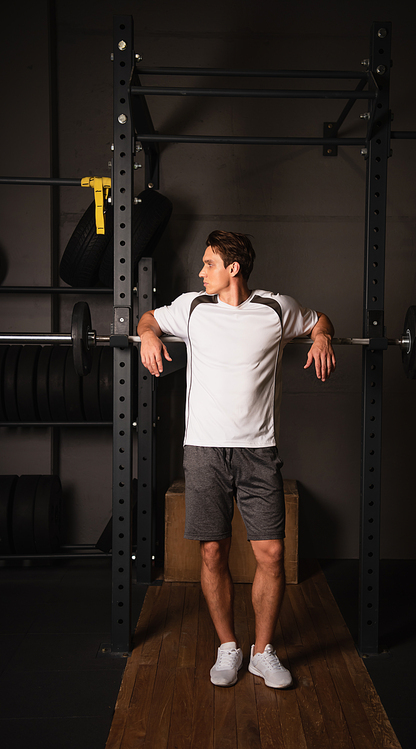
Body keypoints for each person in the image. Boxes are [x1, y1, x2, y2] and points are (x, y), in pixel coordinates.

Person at [138, 230, 335, 689]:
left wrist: (322, 337)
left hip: (258, 451)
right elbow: (149, 318)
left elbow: (318, 318)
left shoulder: (275, 308)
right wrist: (148, 336)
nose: (200, 271)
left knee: (271, 554)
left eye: (208, 264)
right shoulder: (192, 307)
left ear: (233, 269)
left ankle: (263, 653)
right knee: (212, 551)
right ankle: (228, 646)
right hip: (205, 449)